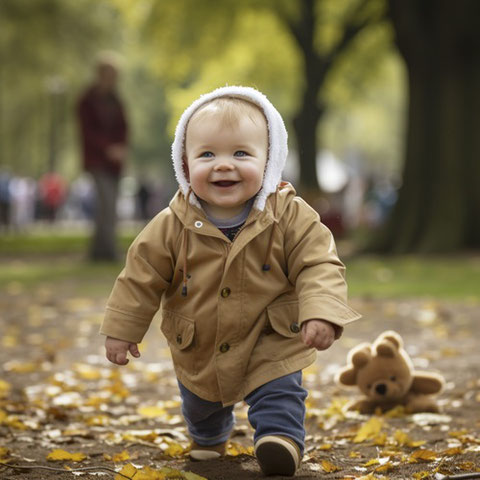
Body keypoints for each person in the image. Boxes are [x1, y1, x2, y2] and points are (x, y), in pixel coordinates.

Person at [100, 86, 360, 476]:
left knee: (280, 389)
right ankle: (208, 436)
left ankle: (280, 439)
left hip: (272, 334)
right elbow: (140, 277)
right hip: (199, 338)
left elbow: (318, 263)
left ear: (269, 161)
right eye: (207, 154)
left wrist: (321, 311)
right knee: (201, 400)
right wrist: (122, 329)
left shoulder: (290, 216)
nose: (224, 165)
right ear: (185, 165)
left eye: (241, 153)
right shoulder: (170, 225)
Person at [76, 52, 128, 261]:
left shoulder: (116, 101)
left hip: (115, 162)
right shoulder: (87, 100)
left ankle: (98, 253)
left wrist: (121, 148)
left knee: (111, 205)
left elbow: (124, 128)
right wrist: (108, 148)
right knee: (105, 203)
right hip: (97, 160)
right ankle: (108, 252)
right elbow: (87, 132)